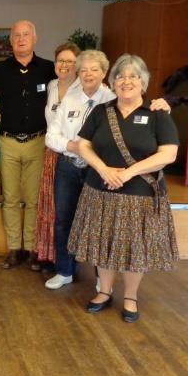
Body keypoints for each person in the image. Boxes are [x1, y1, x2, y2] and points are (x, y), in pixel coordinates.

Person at [68, 54, 179, 323]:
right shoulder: (101, 111)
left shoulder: (156, 114)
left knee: (134, 249)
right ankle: (104, 291)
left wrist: (128, 172)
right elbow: (82, 144)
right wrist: (103, 169)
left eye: (133, 76)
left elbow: (169, 154)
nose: (126, 81)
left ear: (143, 82)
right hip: (100, 190)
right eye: (120, 76)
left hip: (139, 196)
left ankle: (130, 296)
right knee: (102, 244)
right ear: (113, 81)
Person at [0, 20, 56, 269]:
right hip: (8, 142)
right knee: (11, 198)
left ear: (35, 38)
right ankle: (15, 248)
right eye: (16, 35)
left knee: (35, 199)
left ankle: (33, 248)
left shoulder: (50, 70)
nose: (21, 39)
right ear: (10, 41)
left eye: (26, 35)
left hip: (38, 142)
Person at [44, 50, 115, 289]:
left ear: (104, 73)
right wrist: (73, 146)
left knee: (98, 223)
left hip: (98, 170)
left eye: (94, 69)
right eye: (83, 70)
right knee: (64, 220)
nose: (88, 74)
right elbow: (51, 137)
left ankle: (101, 278)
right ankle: (65, 271)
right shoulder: (70, 99)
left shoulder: (112, 101)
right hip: (68, 167)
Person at [34, 42, 81, 272]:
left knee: (67, 211)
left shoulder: (86, 89)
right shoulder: (51, 85)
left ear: (78, 65)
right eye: (61, 61)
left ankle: (70, 262)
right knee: (50, 207)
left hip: (75, 156)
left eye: (70, 61)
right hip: (51, 152)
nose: (64, 65)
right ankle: (50, 255)